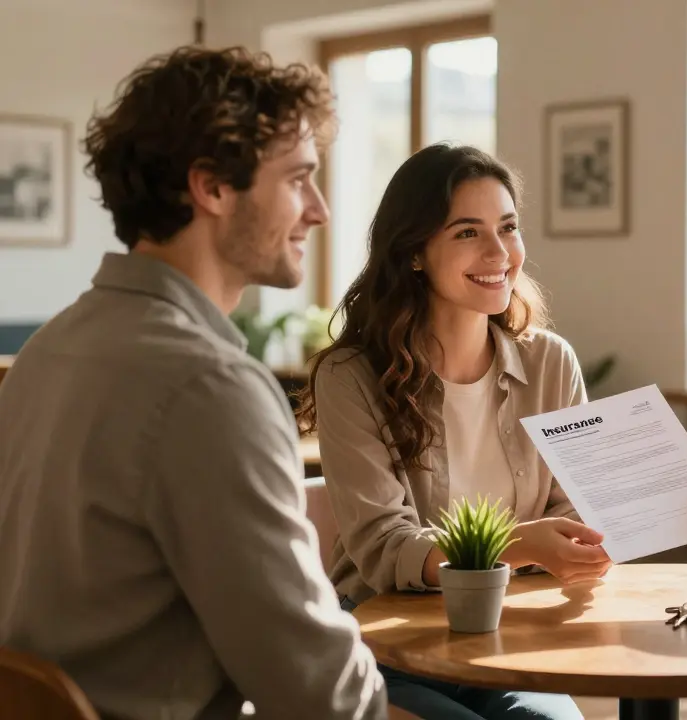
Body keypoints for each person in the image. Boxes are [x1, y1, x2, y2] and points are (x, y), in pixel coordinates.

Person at [0, 46, 406, 719]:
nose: (321, 210)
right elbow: (322, 698)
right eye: (300, 179)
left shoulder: (49, 351)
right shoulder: (211, 388)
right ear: (212, 186)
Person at [294, 143, 609, 720]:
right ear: (415, 251)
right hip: (384, 647)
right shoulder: (352, 375)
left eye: (508, 227)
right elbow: (385, 548)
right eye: (468, 232)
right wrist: (519, 543)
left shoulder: (551, 363)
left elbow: (576, 511)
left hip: (507, 640)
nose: (499, 252)